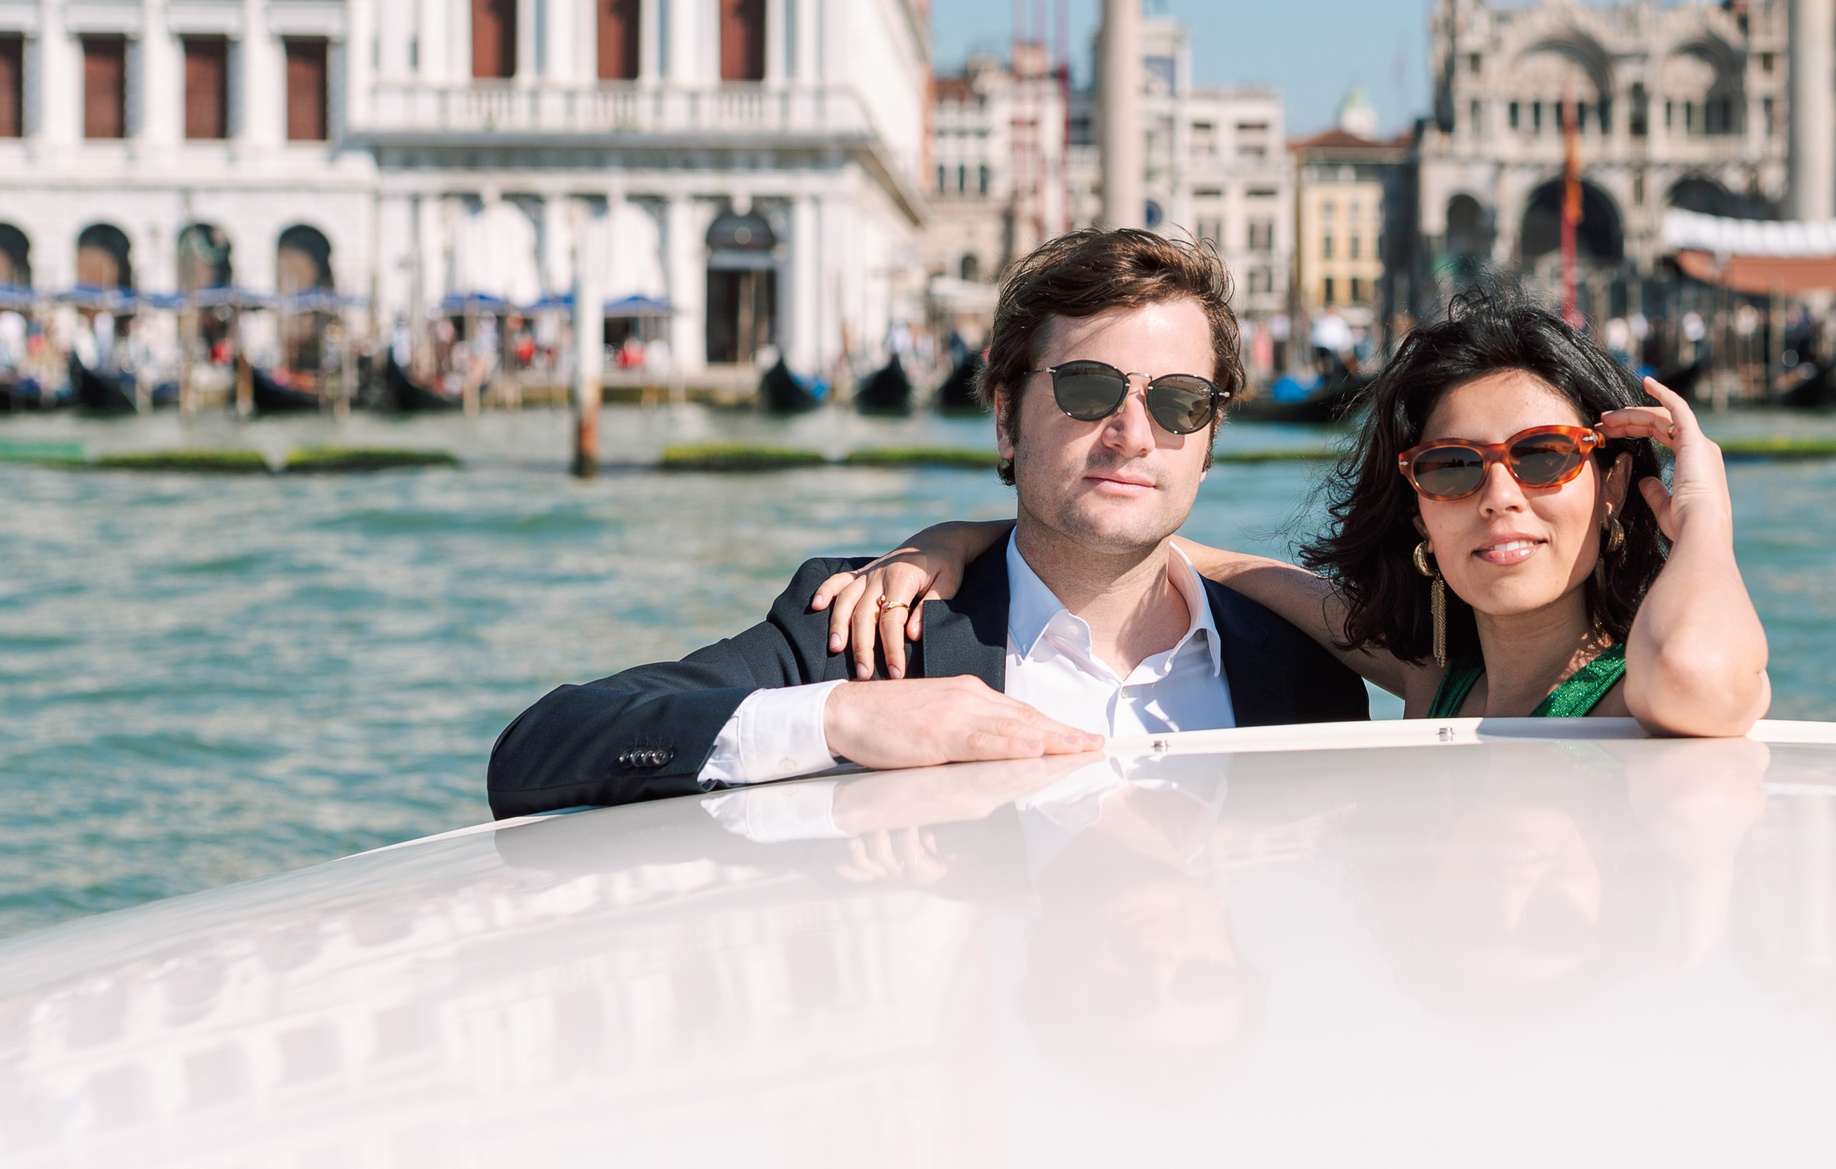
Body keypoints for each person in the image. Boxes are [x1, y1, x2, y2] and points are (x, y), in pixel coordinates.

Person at [484, 229, 1369, 818]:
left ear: (1208, 440)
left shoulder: (1299, 674)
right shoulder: (869, 631)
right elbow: (543, 746)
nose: (1134, 433)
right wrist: (841, 721)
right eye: (1089, 387)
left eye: (1178, 402)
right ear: (1003, 418)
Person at [830, 294, 1767, 730]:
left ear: (1610, 488)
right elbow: (1216, 564)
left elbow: (1697, 673)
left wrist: (1705, 513)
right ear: (1420, 515)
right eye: (1450, 468)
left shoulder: (1633, 678)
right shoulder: (1438, 676)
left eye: (1544, 457)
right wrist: (968, 539)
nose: (1499, 497)